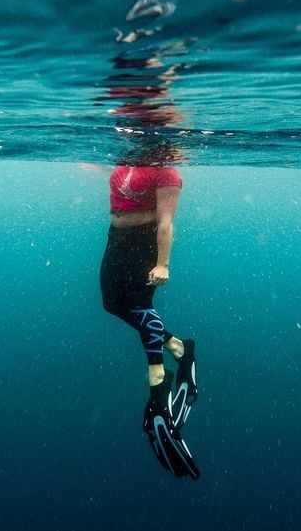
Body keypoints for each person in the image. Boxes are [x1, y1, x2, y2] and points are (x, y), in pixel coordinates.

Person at [99, 149, 200, 480]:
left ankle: (158, 378)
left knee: (140, 304)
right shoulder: (127, 153)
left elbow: (167, 220)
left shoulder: (167, 172)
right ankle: (177, 347)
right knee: (112, 303)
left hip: (143, 243)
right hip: (116, 237)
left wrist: (162, 264)